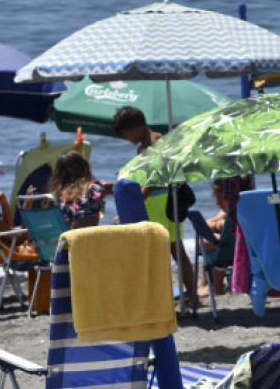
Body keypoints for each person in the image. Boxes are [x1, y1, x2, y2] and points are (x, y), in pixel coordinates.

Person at [113, 106, 196, 302]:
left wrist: (136, 202)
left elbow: (155, 179)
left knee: (166, 252)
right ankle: (191, 296)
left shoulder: (154, 143)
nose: (127, 140)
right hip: (159, 200)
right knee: (175, 251)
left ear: (135, 128)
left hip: (160, 201)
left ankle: (179, 297)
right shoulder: (152, 141)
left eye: (126, 135)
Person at [41, 151, 113, 229]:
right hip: (86, 239)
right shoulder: (95, 188)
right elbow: (122, 187)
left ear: (58, 172)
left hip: (62, 239)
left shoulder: (54, 196)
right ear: (84, 167)